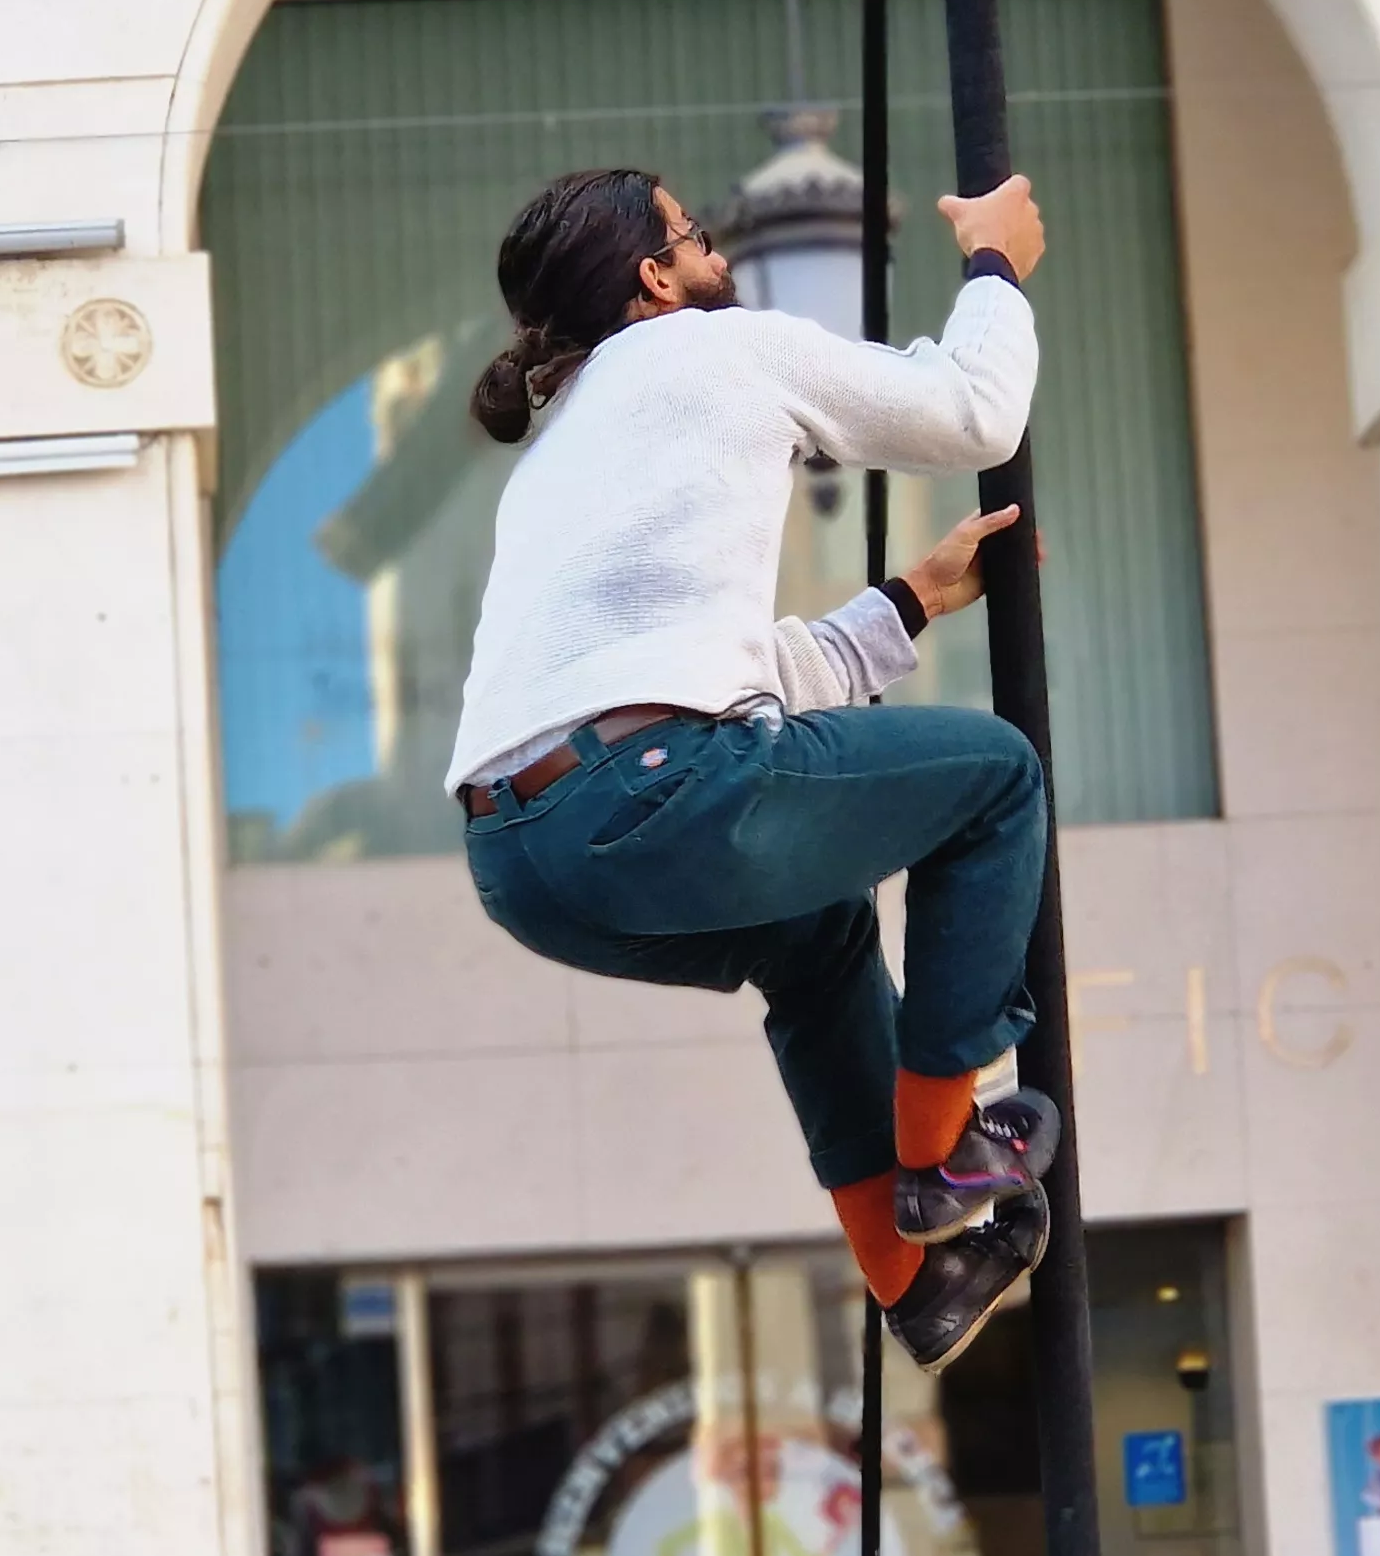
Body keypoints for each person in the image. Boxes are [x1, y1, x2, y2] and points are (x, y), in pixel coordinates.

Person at [451, 163, 1059, 1371]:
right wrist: (993, 264)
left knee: (820, 936)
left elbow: (702, 680)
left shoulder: (555, 462)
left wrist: (913, 601)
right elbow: (971, 412)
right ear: (653, 275)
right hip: (656, 789)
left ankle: (915, 1279)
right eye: (698, 234)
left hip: (521, 860)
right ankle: (940, 1162)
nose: (714, 254)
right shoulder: (712, 350)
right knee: (993, 775)